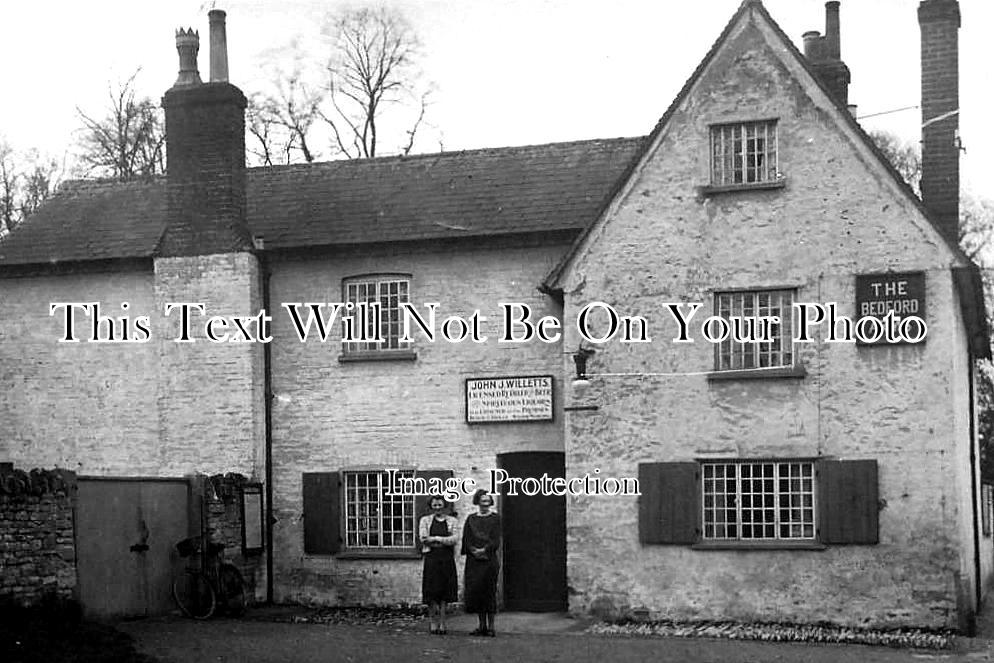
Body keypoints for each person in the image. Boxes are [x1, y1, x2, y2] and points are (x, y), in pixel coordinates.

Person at [461, 489, 501, 637]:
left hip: (489, 560)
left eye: (487, 501)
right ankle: (481, 625)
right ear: (477, 502)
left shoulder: (495, 519)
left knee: (489, 592)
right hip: (474, 561)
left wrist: (484, 550)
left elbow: (496, 539)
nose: (485, 504)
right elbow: (466, 538)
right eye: (482, 501)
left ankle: (491, 626)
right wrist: (473, 550)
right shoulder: (471, 519)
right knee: (476, 591)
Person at [419, 494, 459, 635]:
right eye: (435, 505)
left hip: (446, 559)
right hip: (431, 558)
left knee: (444, 593)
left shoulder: (452, 521)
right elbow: (423, 538)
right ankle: (432, 622)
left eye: (440, 505)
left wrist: (435, 539)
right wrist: (442, 540)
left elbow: (454, 539)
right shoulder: (425, 520)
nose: (437, 508)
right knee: (431, 592)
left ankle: (442, 622)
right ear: (431, 507)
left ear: (444, 506)